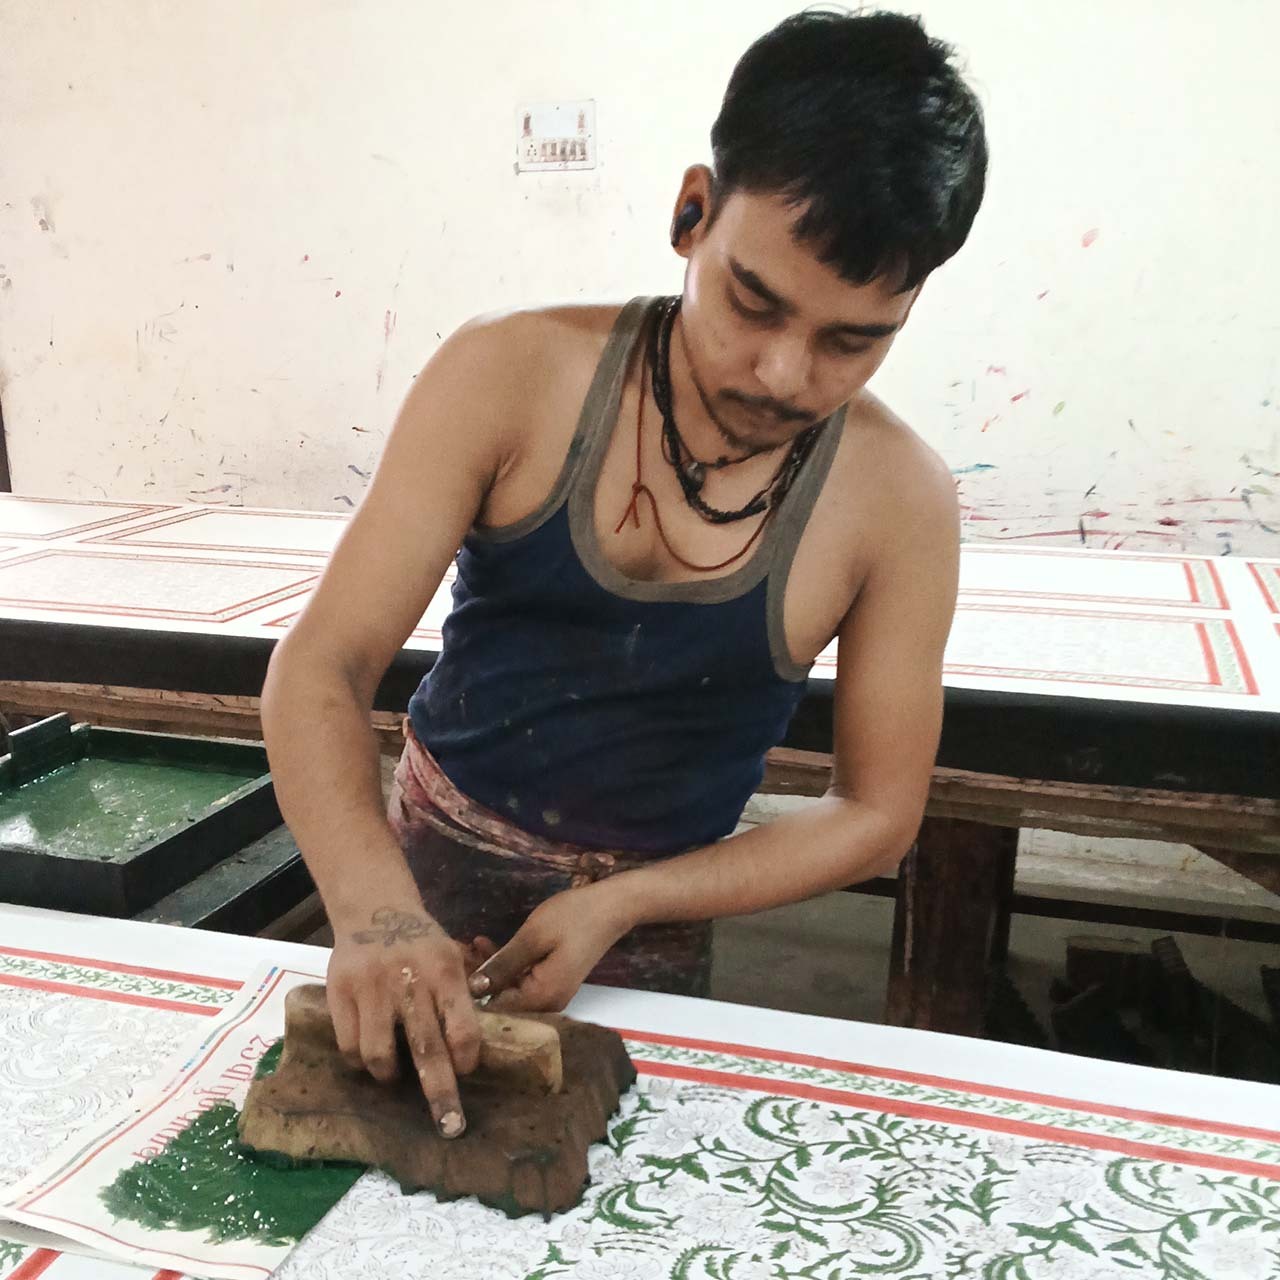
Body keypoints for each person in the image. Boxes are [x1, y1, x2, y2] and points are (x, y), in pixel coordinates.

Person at [262, 8, 987, 1140]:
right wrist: (376, 916)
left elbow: (875, 810)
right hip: (420, 881)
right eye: (753, 300)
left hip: (653, 925)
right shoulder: (505, 374)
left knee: (606, 1175)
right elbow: (323, 663)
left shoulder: (897, 501)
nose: (784, 372)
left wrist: (629, 898)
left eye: (853, 339)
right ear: (690, 211)